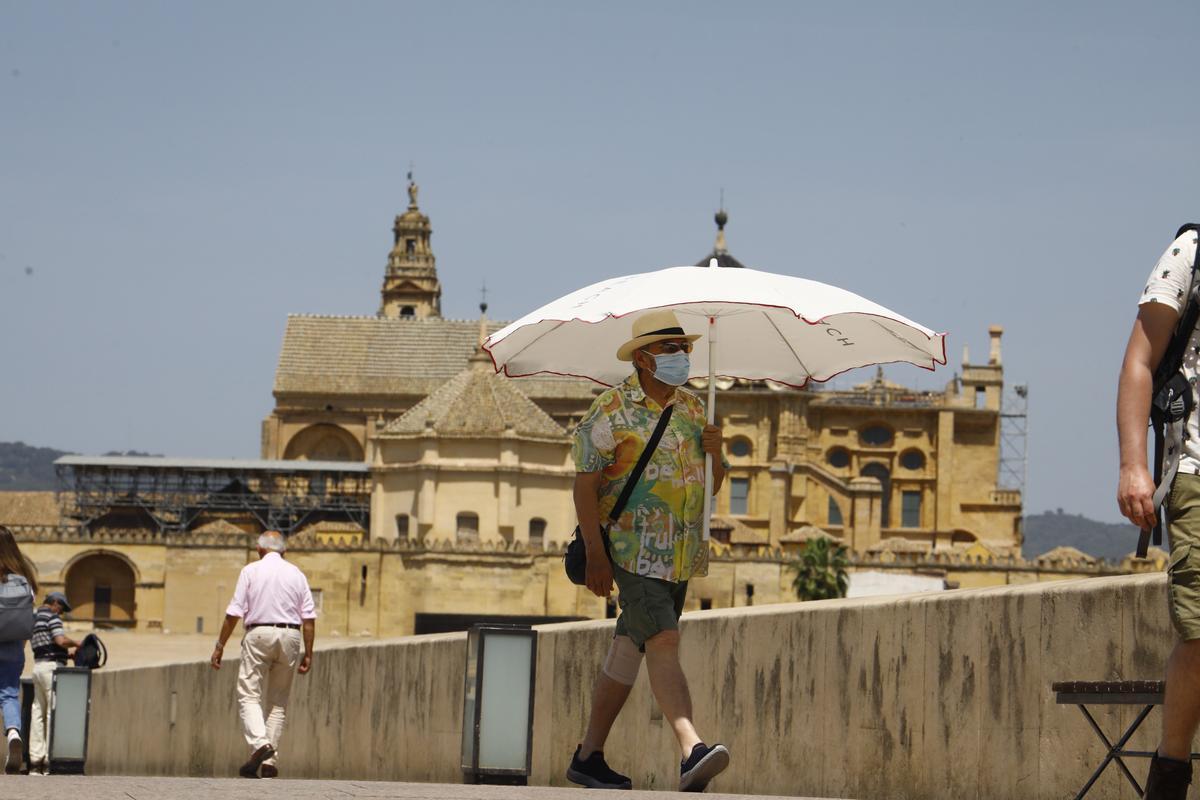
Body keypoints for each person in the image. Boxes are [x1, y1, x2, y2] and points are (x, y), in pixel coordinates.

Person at [566, 309, 731, 792]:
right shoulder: (611, 410)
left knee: (628, 649)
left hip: (680, 554)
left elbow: (714, 483)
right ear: (642, 357)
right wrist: (597, 556)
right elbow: (585, 486)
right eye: (669, 349)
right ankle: (691, 750)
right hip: (631, 551)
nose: (681, 357)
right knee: (663, 639)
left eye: (684, 349)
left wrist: (717, 453)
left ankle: (588, 756)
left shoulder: (695, 410)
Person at [1119, 226, 1200, 799]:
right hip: (1195, 469)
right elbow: (1141, 360)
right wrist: (1132, 465)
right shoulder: (1191, 252)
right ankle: (1171, 776)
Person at [211, 531, 316, 779]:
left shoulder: (250, 571)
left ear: (259, 549)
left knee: (249, 694)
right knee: (278, 702)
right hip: (291, 635)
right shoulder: (297, 574)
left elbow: (233, 613)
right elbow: (309, 618)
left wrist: (220, 645)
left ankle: (260, 745)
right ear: (284, 552)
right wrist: (308, 653)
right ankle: (269, 763)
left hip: (258, 633)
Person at [0, 527, 36, 775]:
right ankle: (13, 732)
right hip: (14, 645)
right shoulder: (25, 580)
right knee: (9, 694)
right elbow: (27, 617)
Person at [28, 590, 77, 776]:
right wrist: (77, 643)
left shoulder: (33, 618)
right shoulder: (53, 618)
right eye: (62, 608)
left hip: (38, 666)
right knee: (52, 712)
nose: (61, 612)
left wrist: (65, 654)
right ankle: (49, 759)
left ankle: (34, 760)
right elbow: (59, 640)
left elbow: (43, 643)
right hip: (51, 669)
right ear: (55, 602)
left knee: (37, 712)